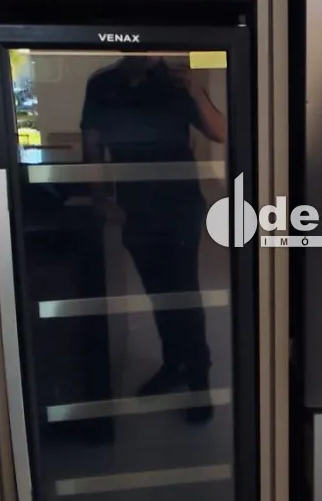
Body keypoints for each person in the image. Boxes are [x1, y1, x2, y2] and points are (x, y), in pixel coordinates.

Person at [80, 55, 225, 422]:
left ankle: (198, 379)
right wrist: (100, 198)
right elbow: (92, 146)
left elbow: (221, 132)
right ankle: (173, 364)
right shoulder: (102, 84)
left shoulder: (177, 81)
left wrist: (196, 92)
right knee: (158, 293)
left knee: (184, 293)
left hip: (180, 206)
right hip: (135, 207)